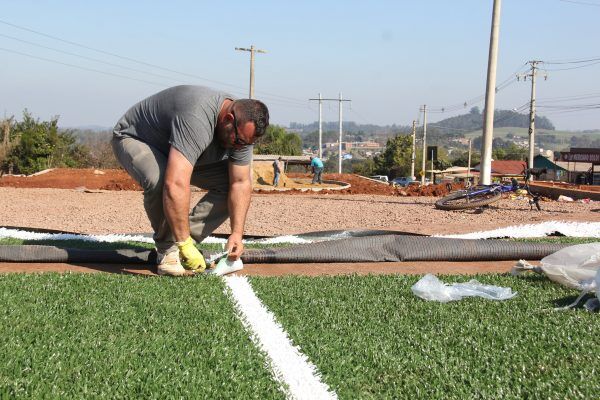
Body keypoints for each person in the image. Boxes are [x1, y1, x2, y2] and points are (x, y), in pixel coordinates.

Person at [111, 85, 269, 276]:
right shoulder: (196, 118)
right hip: (138, 139)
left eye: (246, 144)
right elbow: (175, 183)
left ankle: (183, 241)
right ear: (228, 119)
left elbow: (241, 183)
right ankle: (168, 250)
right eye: (239, 142)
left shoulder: (242, 131)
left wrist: (236, 233)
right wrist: (183, 244)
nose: (240, 147)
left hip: (181, 152)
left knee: (229, 186)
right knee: (159, 180)